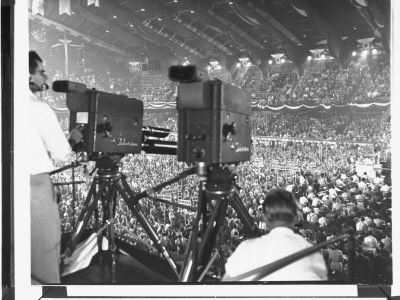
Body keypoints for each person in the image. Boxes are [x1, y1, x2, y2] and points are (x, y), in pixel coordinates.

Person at [29, 51, 83, 284]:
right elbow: (61, 153)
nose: (45, 77)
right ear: (27, 75)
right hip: (34, 187)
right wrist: (72, 138)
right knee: (44, 252)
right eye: (41, 72)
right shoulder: (37, 107)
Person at [222, 189, 327, 281]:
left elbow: (224, 287)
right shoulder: (312, 253)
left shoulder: (245, 248)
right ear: (296, 217)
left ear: (265, 218)